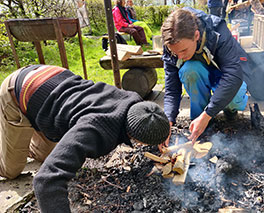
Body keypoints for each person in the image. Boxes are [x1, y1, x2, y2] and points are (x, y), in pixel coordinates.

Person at [0, 64, 170, 212]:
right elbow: (46, 181)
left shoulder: (132, 103)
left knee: (46, 156)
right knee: (11, 170)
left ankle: (24, 137)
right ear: (135, 138)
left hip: (51, 78)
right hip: (19, 91)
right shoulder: (94, 129)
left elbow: (148, 120)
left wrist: (158, 134)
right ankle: (13, 133)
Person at [160, 8, 251, 147]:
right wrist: (168, 121)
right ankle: (199, 121)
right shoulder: (171, 42)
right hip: (201, 73)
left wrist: (208, 113)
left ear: (196, 35)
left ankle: (223, 111)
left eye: (184, 50)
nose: (180, 56)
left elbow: (233, 74)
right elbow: (172, 88)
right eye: (175, 52)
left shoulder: (217, 31)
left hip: (225, 74)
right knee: (189, 70)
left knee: (233, 97)